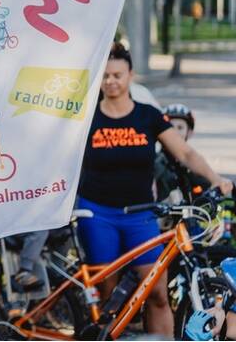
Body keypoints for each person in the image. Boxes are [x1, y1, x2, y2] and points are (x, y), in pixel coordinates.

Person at [77, 43, 233, 337]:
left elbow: (185, 153)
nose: (111, 81)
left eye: (117, 75)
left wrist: (215, 178)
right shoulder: (88, 117)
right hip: (98, 213)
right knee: (109, 297)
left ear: (130, 75)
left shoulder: (147, 115)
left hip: (140, 216)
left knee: (157, 292)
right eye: (106, 75)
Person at [155, 103, 211, 204]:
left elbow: (207, 187)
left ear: (189, 132)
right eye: (170, 127)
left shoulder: (194, 163)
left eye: (180, 127)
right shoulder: (155, 163)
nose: (175, 133)